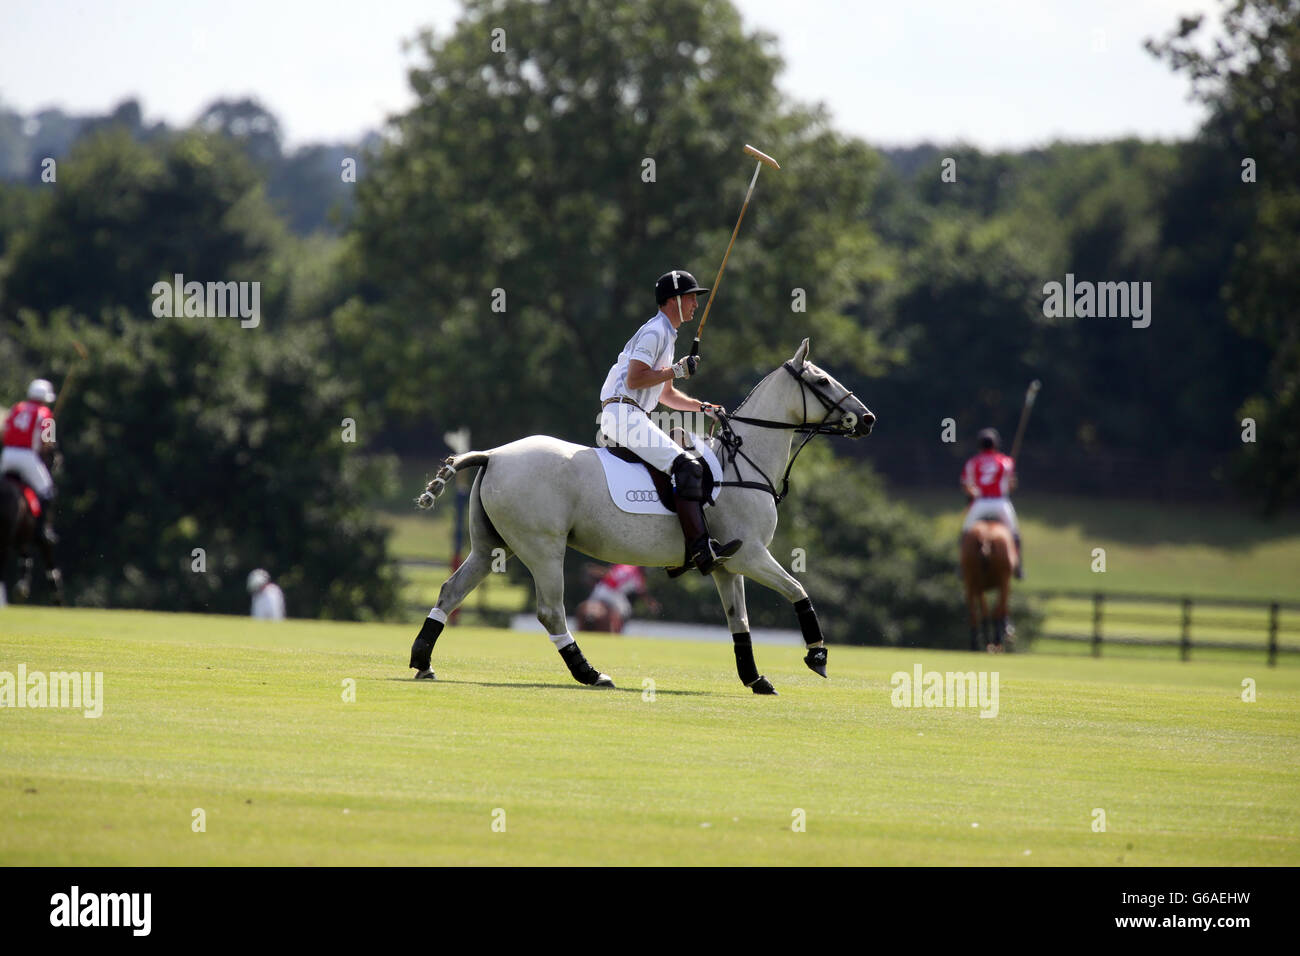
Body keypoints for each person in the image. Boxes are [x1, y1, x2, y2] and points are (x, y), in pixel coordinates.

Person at [598, 269, 740, 575]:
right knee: (688, 466)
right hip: (624, 413)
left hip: (632, 414)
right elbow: (636, 379)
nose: (695, 305)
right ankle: (700, 552)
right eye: (691, 298)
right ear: (674, 299)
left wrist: (703, 408)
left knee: (680, 451)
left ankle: (675, 552)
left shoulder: (667, 335)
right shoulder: (655, 331)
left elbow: (666, 393)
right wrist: (675, 370)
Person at [960, 427, 1023, 578]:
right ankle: (1019, 566)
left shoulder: (972, 462)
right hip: (1001, 503)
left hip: (980, 503)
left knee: (965, 533)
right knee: (1014, 535)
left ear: (980, 445)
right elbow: (1011, 486)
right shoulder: (1007, 462)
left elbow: (966, 485)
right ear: (996, 444)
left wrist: (973, 493)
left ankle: (961, 566)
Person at [1, 379, 59, 544]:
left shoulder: (16, 408)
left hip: (7, 454)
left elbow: (5, 431)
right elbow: (47, 443)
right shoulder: (45, 413)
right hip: (27, 457)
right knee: (48, 491)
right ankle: (42, 531)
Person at [578, 563, 660, 633]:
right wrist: (652, 605)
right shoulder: (637, 575)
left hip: (601, 588)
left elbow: (609, 572)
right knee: (626, 610)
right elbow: (642, 592)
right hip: (614, 593)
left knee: (590, 605)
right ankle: (618, 630)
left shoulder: (624, 564)